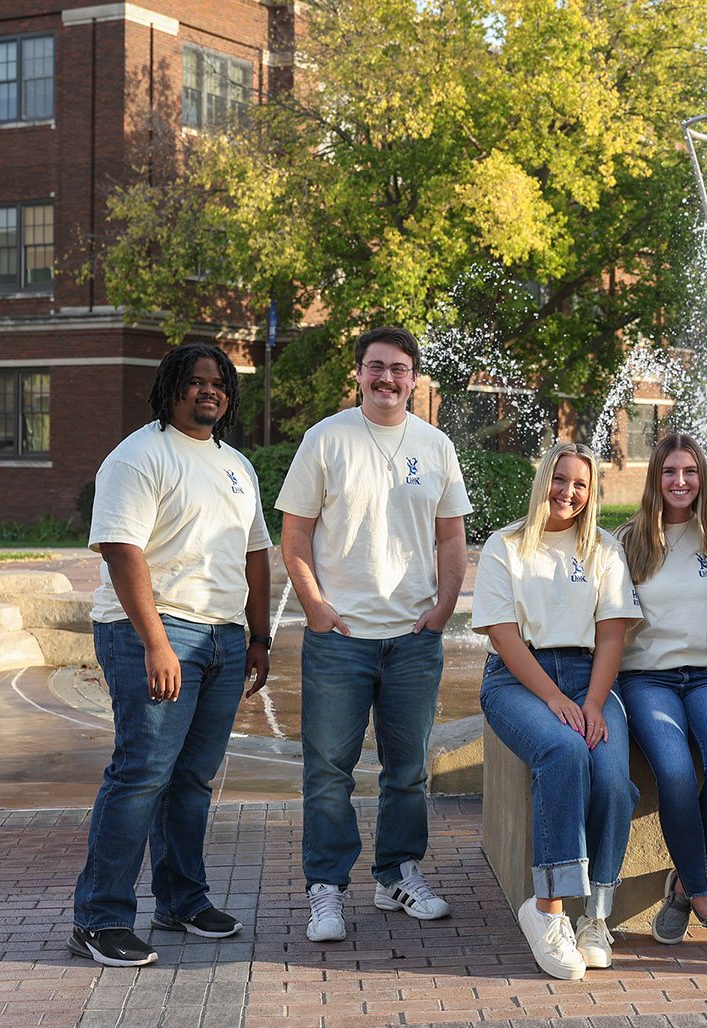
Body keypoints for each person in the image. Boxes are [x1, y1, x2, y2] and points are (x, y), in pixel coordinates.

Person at [70, 343, 271, 967]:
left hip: (223, 638)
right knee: (141, 775)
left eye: (218, 383)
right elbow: (122, 551)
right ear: (171, 388)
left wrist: (258, 637)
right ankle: (98, 919)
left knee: (191, 779)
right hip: (152, 634)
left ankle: (182, 900)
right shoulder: (138, 456)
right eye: (195, 382)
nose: (208, 391)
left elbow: (255, 554)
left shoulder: (235, 464)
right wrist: (156, 641)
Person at [277, 325, 472, 943]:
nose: (387, 378)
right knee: (329, 768)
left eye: (399, 369)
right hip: (340, 638)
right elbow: (296, 533)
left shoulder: (436, 446)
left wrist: (443, 609)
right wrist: (315, 606)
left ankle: (396, 875)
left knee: (408, 768)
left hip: (413, 637)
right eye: (376, 366)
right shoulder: (325, 440)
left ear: (415, 379)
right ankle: (326, 888)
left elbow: (451, 537)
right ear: (358, 374)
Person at [472, 442, 641, 980]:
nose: (569, 492)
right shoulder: (506, 545)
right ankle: (547, 909)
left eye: (581, 484)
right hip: (519, 680)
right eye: (560, 479)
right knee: (564, 750)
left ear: (592, 493)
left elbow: (612, 635)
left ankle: (595, 916)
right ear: (544, 479)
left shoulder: (604, 550)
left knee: (613, 776)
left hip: (589, 677)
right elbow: (502, 635)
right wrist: (554, 698)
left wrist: (592, 702)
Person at [615, 434, 707, 951]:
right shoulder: (627, 541)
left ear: (703, 479)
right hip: (645, 679)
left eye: (690, 471)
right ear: (655, 478)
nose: (680, 481)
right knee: (675, 772)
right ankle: (702, 899)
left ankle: (680, 885)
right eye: (670, 471)